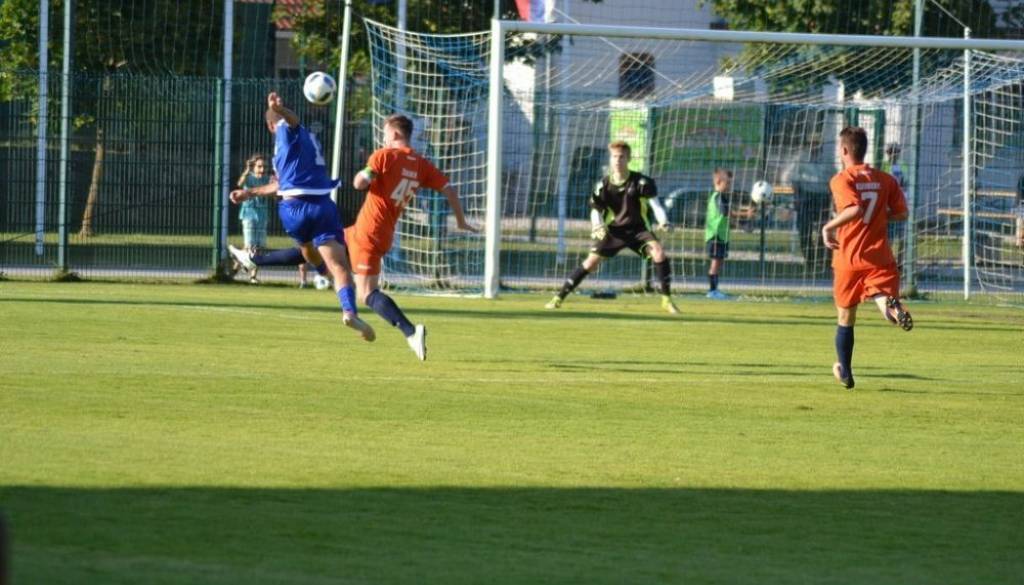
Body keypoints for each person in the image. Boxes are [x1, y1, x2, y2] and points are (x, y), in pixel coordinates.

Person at [230, 92, 374, 342]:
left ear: (269, 125)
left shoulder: (285, 133)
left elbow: (292, 121)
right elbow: (281, 181)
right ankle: (349, 311)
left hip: (291, 209)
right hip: (319, 205)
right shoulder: (296, 142)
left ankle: (265, 262)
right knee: (340, 267)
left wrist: (280, 110)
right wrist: (249, 192)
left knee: (306, 247)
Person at [349, 113, 478, 360]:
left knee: (366, 293)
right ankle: (266, 260)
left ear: (395, 134)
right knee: (327, 240)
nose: (383, 138)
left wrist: (363, 173)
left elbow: (359, 183)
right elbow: (450, 190)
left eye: (385, 133)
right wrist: (461, 221)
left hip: (369, 231)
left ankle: (410, 332)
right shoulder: (421, 164)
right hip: (381, 232)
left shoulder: (383, 156)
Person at [822, 126, 913, 390]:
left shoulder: (842, 179)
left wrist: (828, 227)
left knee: (845, 317)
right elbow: (902, 214)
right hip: (878, 256)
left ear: (844, 150)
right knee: (883, 299)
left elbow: (854, 209)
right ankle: (894, 310)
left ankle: (845, 371)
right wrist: (881, 216)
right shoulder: (886, 179)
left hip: (848, 257)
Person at [546, 141, 678, 314]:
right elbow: (596, 210)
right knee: (590, 263)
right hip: (614, 231)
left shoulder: (642, 182)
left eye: (621, 157)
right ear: (610, 159)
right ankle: (558, 298)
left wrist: (664, 221)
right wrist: (597, 225)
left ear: (628, 159)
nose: (617, 160)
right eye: (614, 156)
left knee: (659, 253)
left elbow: (656, 205)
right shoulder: (603, 185)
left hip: (639, 231)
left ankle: (666, 299)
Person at [234, 154, 272, 284]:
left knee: (258, 247)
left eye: (264, 167)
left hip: (262, 215)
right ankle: (234, 270)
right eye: (259, 166)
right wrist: (246, 170)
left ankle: (253, 277)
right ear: (254, 167)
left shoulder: (267, 179)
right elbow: (239, 184)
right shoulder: (249, 178)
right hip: (249, 214)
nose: (262, 169)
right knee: (249, 246)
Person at [705, 168, 735, 300]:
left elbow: (727, 215)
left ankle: (715, 289)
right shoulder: (718, 197)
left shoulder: (720, 197)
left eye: (730, 183)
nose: (729, 186)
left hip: (721, 236)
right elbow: (726, 213)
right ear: (718, 181)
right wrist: (746, 214)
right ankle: (712, 291)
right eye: (727, 183)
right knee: (715, 263)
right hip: (715, 236)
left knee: (718, 263)